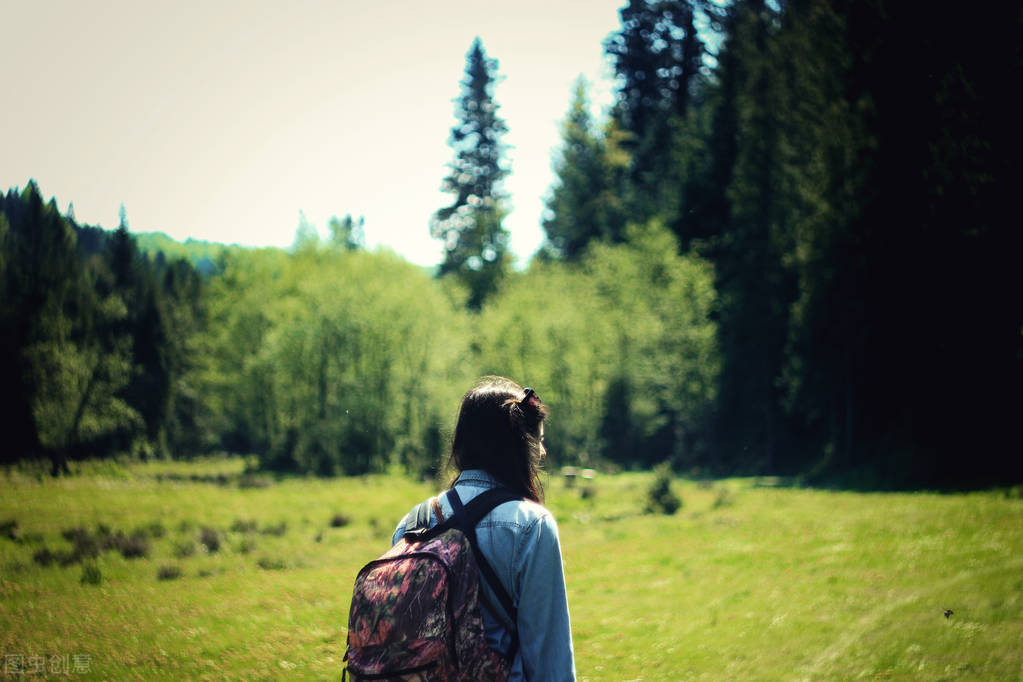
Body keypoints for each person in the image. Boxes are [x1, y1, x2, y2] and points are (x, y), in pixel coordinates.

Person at [392, 376, 576, 681]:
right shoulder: (531, 525)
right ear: (519, 444)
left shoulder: (413, 523)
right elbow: (549, 662)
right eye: (538, 440)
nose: (542, 451)